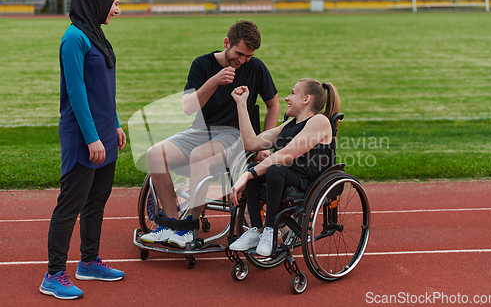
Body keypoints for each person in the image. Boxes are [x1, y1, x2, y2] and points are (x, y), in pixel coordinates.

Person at [141, 20, 280, 248]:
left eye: (248, 56)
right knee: (155, 154)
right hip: (201, 130)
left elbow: (273, 104)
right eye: (239, 54)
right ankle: (169, 225)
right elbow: (188, 107)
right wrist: (215, 81)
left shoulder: (256, 67)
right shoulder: (202, 64)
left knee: (199, 156)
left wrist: (263, 144)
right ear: (226, 43)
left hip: (235, 135)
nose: (243, 60)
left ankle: (189, 228)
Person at [40, 0, 125, 300]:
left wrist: (114, 124)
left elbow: (103, 90)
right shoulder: (74, 38)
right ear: (97, 1)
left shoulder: (96, 35)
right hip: (83, 137)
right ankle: (53, 275)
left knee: (96, 202)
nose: (117, 10)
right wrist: (92, 138)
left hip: (104, 133)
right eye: (114, 3)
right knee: (70, 205)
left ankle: (89, 262)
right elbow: (76, 94)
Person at [228, 78, 341, 257]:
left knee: (271, 169)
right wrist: (241, 104)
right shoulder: (289, 125)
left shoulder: (319, 121)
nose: (287, 98)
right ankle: (258, 230)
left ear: (306, 99)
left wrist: (247, 176)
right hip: (284, 176)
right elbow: (251, 142)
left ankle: (270, 230)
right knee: (255, 168)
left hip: (307, 182)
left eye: (293, 93)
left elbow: (287, 154)